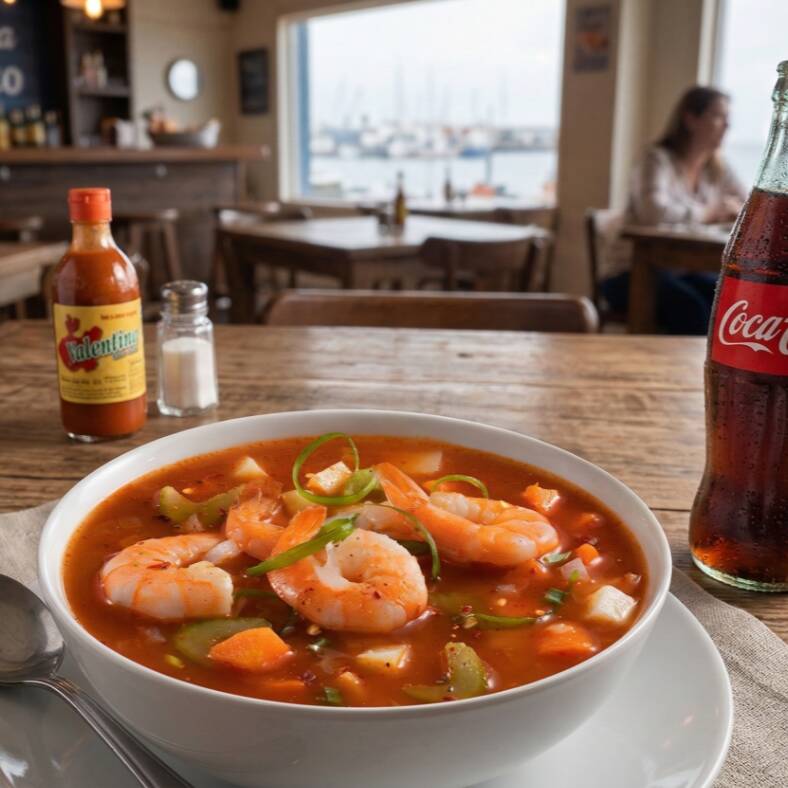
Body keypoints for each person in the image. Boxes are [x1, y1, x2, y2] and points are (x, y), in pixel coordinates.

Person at [600, 86, 747, 334]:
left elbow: (750, 207)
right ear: (690, 119)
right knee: (693, 309)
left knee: (730, 300)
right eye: (718, 116)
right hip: (631, 272)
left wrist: (735, 209)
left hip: (683, 271)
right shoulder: (656, 159)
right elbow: (654, 213)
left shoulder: (719, 168)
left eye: (728, 118)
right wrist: (710, 212)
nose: (727, 125)